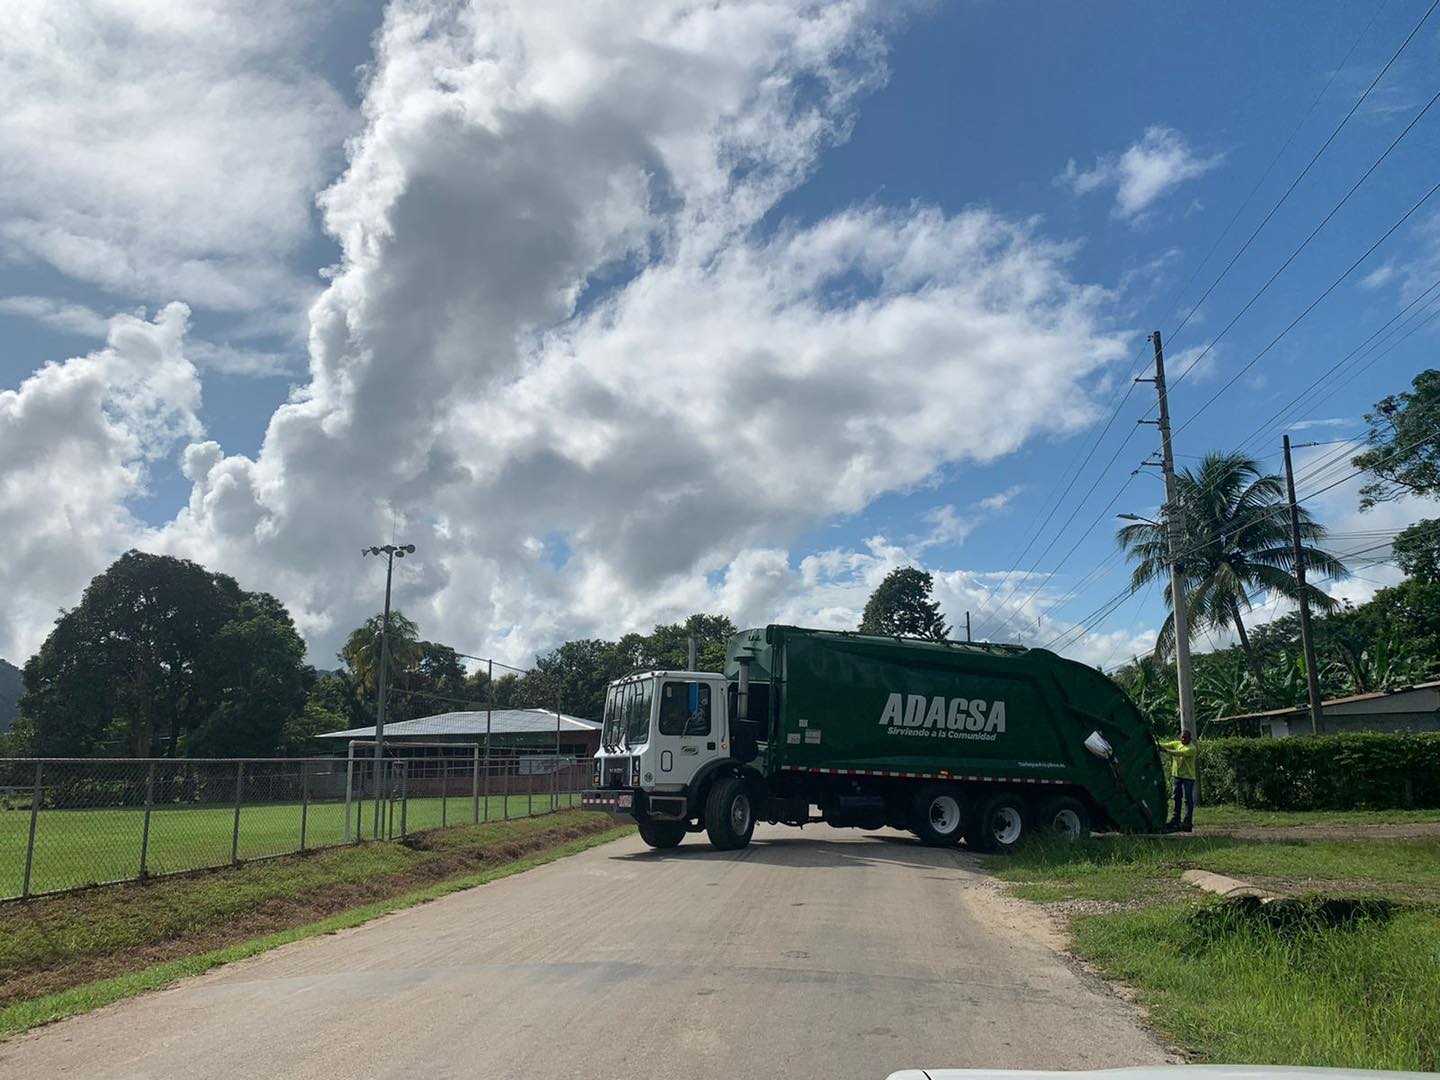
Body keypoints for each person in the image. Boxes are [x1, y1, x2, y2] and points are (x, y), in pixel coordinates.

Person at [1159, 730, 1198, 832]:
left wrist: (1165, 751)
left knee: (1187, 799)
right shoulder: (1176, 744)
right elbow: (1165, 745)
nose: (1183, 739)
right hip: (1177, 775)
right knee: (1177, 797)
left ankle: (1187, 822)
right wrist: (1157, 745)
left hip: (1188, 777)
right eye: (1182, 737)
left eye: (1185, 738)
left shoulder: (1191, 748)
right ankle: (1176, 819)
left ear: (1190, 738)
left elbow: (1178, 753)